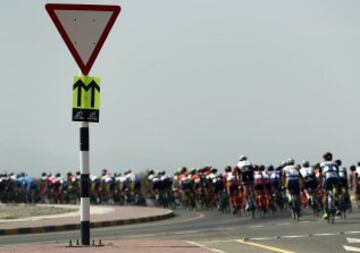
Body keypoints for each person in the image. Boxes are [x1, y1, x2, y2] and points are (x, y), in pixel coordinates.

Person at [320, 152, 339, 219]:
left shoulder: (322, 164)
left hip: (327, 178)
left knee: (325, 194)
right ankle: (337, 204)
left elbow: (320, 174)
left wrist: (320, 183)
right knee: (334, 189)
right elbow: (337, 171)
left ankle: (325, 213)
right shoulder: (334, 163)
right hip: (335, 177)